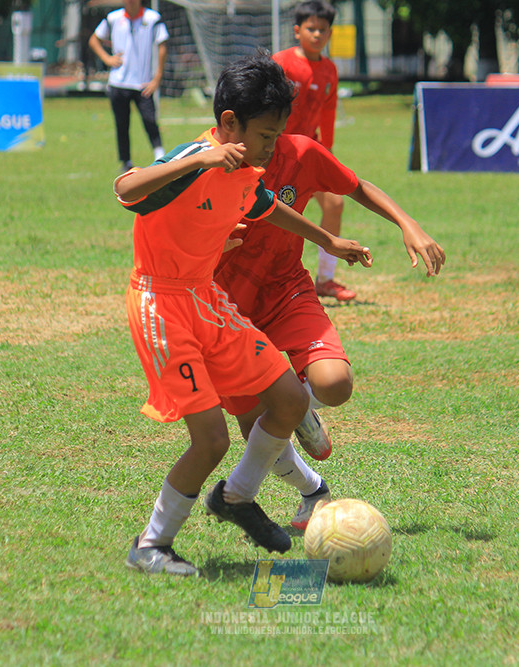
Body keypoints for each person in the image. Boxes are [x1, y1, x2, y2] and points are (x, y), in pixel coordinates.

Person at [115, 54, 373, 576]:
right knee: (212, 439)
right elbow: (126, 188)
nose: (272, 147)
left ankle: (235, 496)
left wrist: (328, 240)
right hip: (161, 305)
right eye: (265, 136)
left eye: (277, 136)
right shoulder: (197, 158)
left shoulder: (245, 171)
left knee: (290, 398)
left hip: (205, 299)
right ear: (229, 122)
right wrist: (199, 162)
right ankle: (151, 545)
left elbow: (266, 206)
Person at [214, 132, 446, 529]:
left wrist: (408, 223)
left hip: (285, 289)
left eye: (277, 126)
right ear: (230, 122)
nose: (272, 139)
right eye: (265, 129)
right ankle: (313, 490)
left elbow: (355, 186)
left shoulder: (301, 152)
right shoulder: (207, 162)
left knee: (335, 383)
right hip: (224, 306)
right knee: (256, 429)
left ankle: (280, 430)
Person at [273, 1, 355, 302]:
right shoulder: (280, 63)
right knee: (274, 216)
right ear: (297, 31)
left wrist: (328, 152)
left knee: (334, 204)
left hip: (309, 154)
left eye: (323, 29)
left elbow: (328, 112)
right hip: (274, 153)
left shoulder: (329, 70)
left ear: (330, 33)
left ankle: (325, 279)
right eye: (311, 29)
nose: (317, 34)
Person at [88, 0, 168, 171]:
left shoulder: (152, 18)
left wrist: (157, 77)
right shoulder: (113, 18)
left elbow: (162, 45)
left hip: (143, 83)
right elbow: (94, 40)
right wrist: (107, 58)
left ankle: (160, 155)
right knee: (122, 124)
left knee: (150, 120)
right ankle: (126, 162)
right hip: (118, 83)